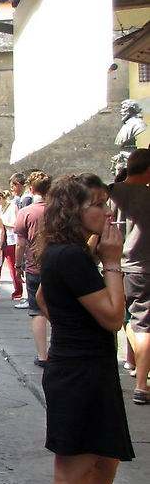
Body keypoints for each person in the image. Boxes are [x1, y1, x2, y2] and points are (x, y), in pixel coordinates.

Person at [36, 173, 134, 484]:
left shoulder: (68, 252)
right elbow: (112, 318)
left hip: (87, 367)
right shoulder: (71, 256)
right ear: (74, 210)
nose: (107, 210)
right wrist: (112, 261)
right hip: (80, 373)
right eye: (98, 203)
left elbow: (45, 298)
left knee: (105, 459)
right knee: (72, 473)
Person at [109, 148, 150, 404]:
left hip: (115, 265)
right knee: (142, 323)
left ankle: (130, 363)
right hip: (141, 266)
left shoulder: (111, 193)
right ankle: (142, 385)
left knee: (120, 317)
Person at [14, 171, 52, 365]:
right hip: (57, 266)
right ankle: (59, 349)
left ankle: (42, 356)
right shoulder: (58, 209)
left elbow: (20, 243)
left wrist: (17, 265)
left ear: (31, 188)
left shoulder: (26, 212)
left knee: (37, 311)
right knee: (58, 308)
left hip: (35, 265)